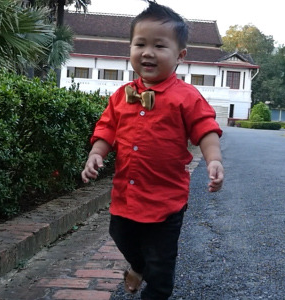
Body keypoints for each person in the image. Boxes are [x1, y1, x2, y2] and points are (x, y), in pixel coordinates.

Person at [80, 1, 224, 299]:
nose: (148, 52)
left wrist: (214, 160)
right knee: (120, 236)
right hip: (126, 195)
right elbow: (106, 128)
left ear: (180, 56)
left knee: (161, 269)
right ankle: (136, 265)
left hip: (166, 200)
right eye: (140, 44)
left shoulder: (186, 96)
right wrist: (96, 153)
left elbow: (205, 128)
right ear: (130, 48)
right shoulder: (122, 95)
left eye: (159, 46)